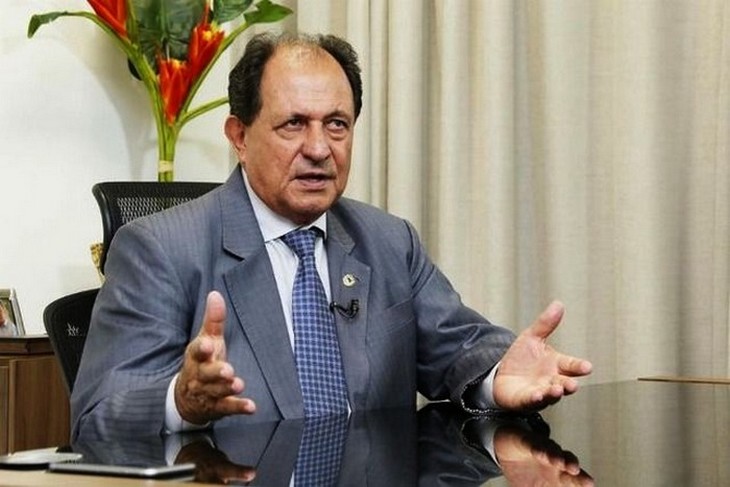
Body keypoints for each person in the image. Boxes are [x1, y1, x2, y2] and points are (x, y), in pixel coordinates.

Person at [71, 32, 592, 439]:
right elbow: (96, 417)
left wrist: (499, 375)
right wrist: (181, 402)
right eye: (294, 124)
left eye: (337, 124)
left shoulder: (389, 242)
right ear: (239, 137)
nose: (320, 148)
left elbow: (459, 348)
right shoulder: (159, 249)